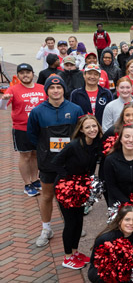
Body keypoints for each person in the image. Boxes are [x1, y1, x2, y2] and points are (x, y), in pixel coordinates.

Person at [27, 75, 84, 247]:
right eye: (52, 88)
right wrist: (45, 150)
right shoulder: (37, 111)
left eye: (59, 88)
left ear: (64, 90)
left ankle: (73, 226)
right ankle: (46, 229)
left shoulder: (75, 109)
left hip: (70, 163)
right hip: (48, 162)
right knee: (47, 195)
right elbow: (32, 136)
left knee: (72, 195)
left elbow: (81, 132)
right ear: (47, 91)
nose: (56, 91)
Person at [50, 114, 102, 269]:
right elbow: (55, 163)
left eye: (94, 126)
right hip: (66, 187)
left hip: (81, 187)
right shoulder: (73, 145)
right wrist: (67, 179)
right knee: (70, 222)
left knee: (79, 221)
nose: (92, 129)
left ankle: (75, 251)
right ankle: (67, 257)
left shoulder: (96, 144)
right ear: (81, 130)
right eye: (88, 127)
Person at [1, 63, 46, 196]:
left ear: (33, 73)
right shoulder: (13, 89)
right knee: (25, 155)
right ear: (18, 75)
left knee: (35, 154)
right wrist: (4, 100)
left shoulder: (42, 88)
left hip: (39, 128)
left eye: (28, 72)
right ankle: (27, 184)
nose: (25, 75)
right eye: (22, 73)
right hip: (21, 128)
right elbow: (2, 107)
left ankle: (35, 179)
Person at [88, 205, 133, 282]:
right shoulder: (106, 239)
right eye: (127, 219)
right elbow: (94, 264)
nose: (131, 223)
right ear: (120, 221)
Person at [103, 124, 133, 205]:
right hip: (117, 201)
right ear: (120, 139)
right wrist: (126, 203)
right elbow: (111, 186)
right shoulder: (110, 159)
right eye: (126, 136)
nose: (130, 140)